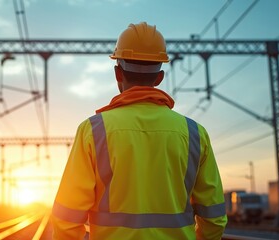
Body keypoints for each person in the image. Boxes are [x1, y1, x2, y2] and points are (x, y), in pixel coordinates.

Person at [51, 22, 227, 240]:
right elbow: (214, 218)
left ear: (118, 74)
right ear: (159, 78)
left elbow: (66, 219)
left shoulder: (93, 131)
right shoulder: (194, 134)